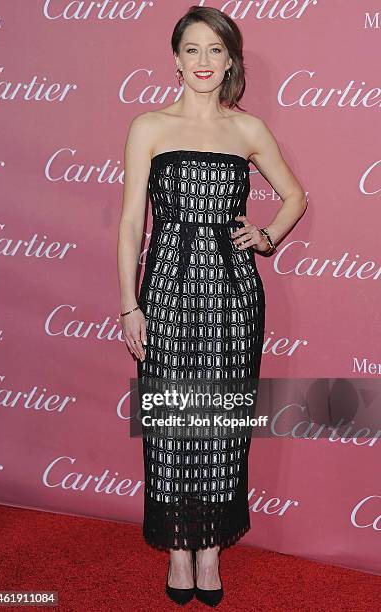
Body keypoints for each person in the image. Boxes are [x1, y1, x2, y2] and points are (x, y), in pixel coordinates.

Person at [117, 5, 307, 607]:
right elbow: (130, 225)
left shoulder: (247, 130)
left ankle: (209, 552)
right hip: (168, 291)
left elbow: (295, 195)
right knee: (173, 424)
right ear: (175, 59)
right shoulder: (147, 125)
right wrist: (129, 305)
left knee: (220, 426)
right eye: (192, 49)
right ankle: (178, 547)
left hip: (233, 295)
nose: (203, 61)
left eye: (215, 50)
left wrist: (268, 235)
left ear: (231, 61)